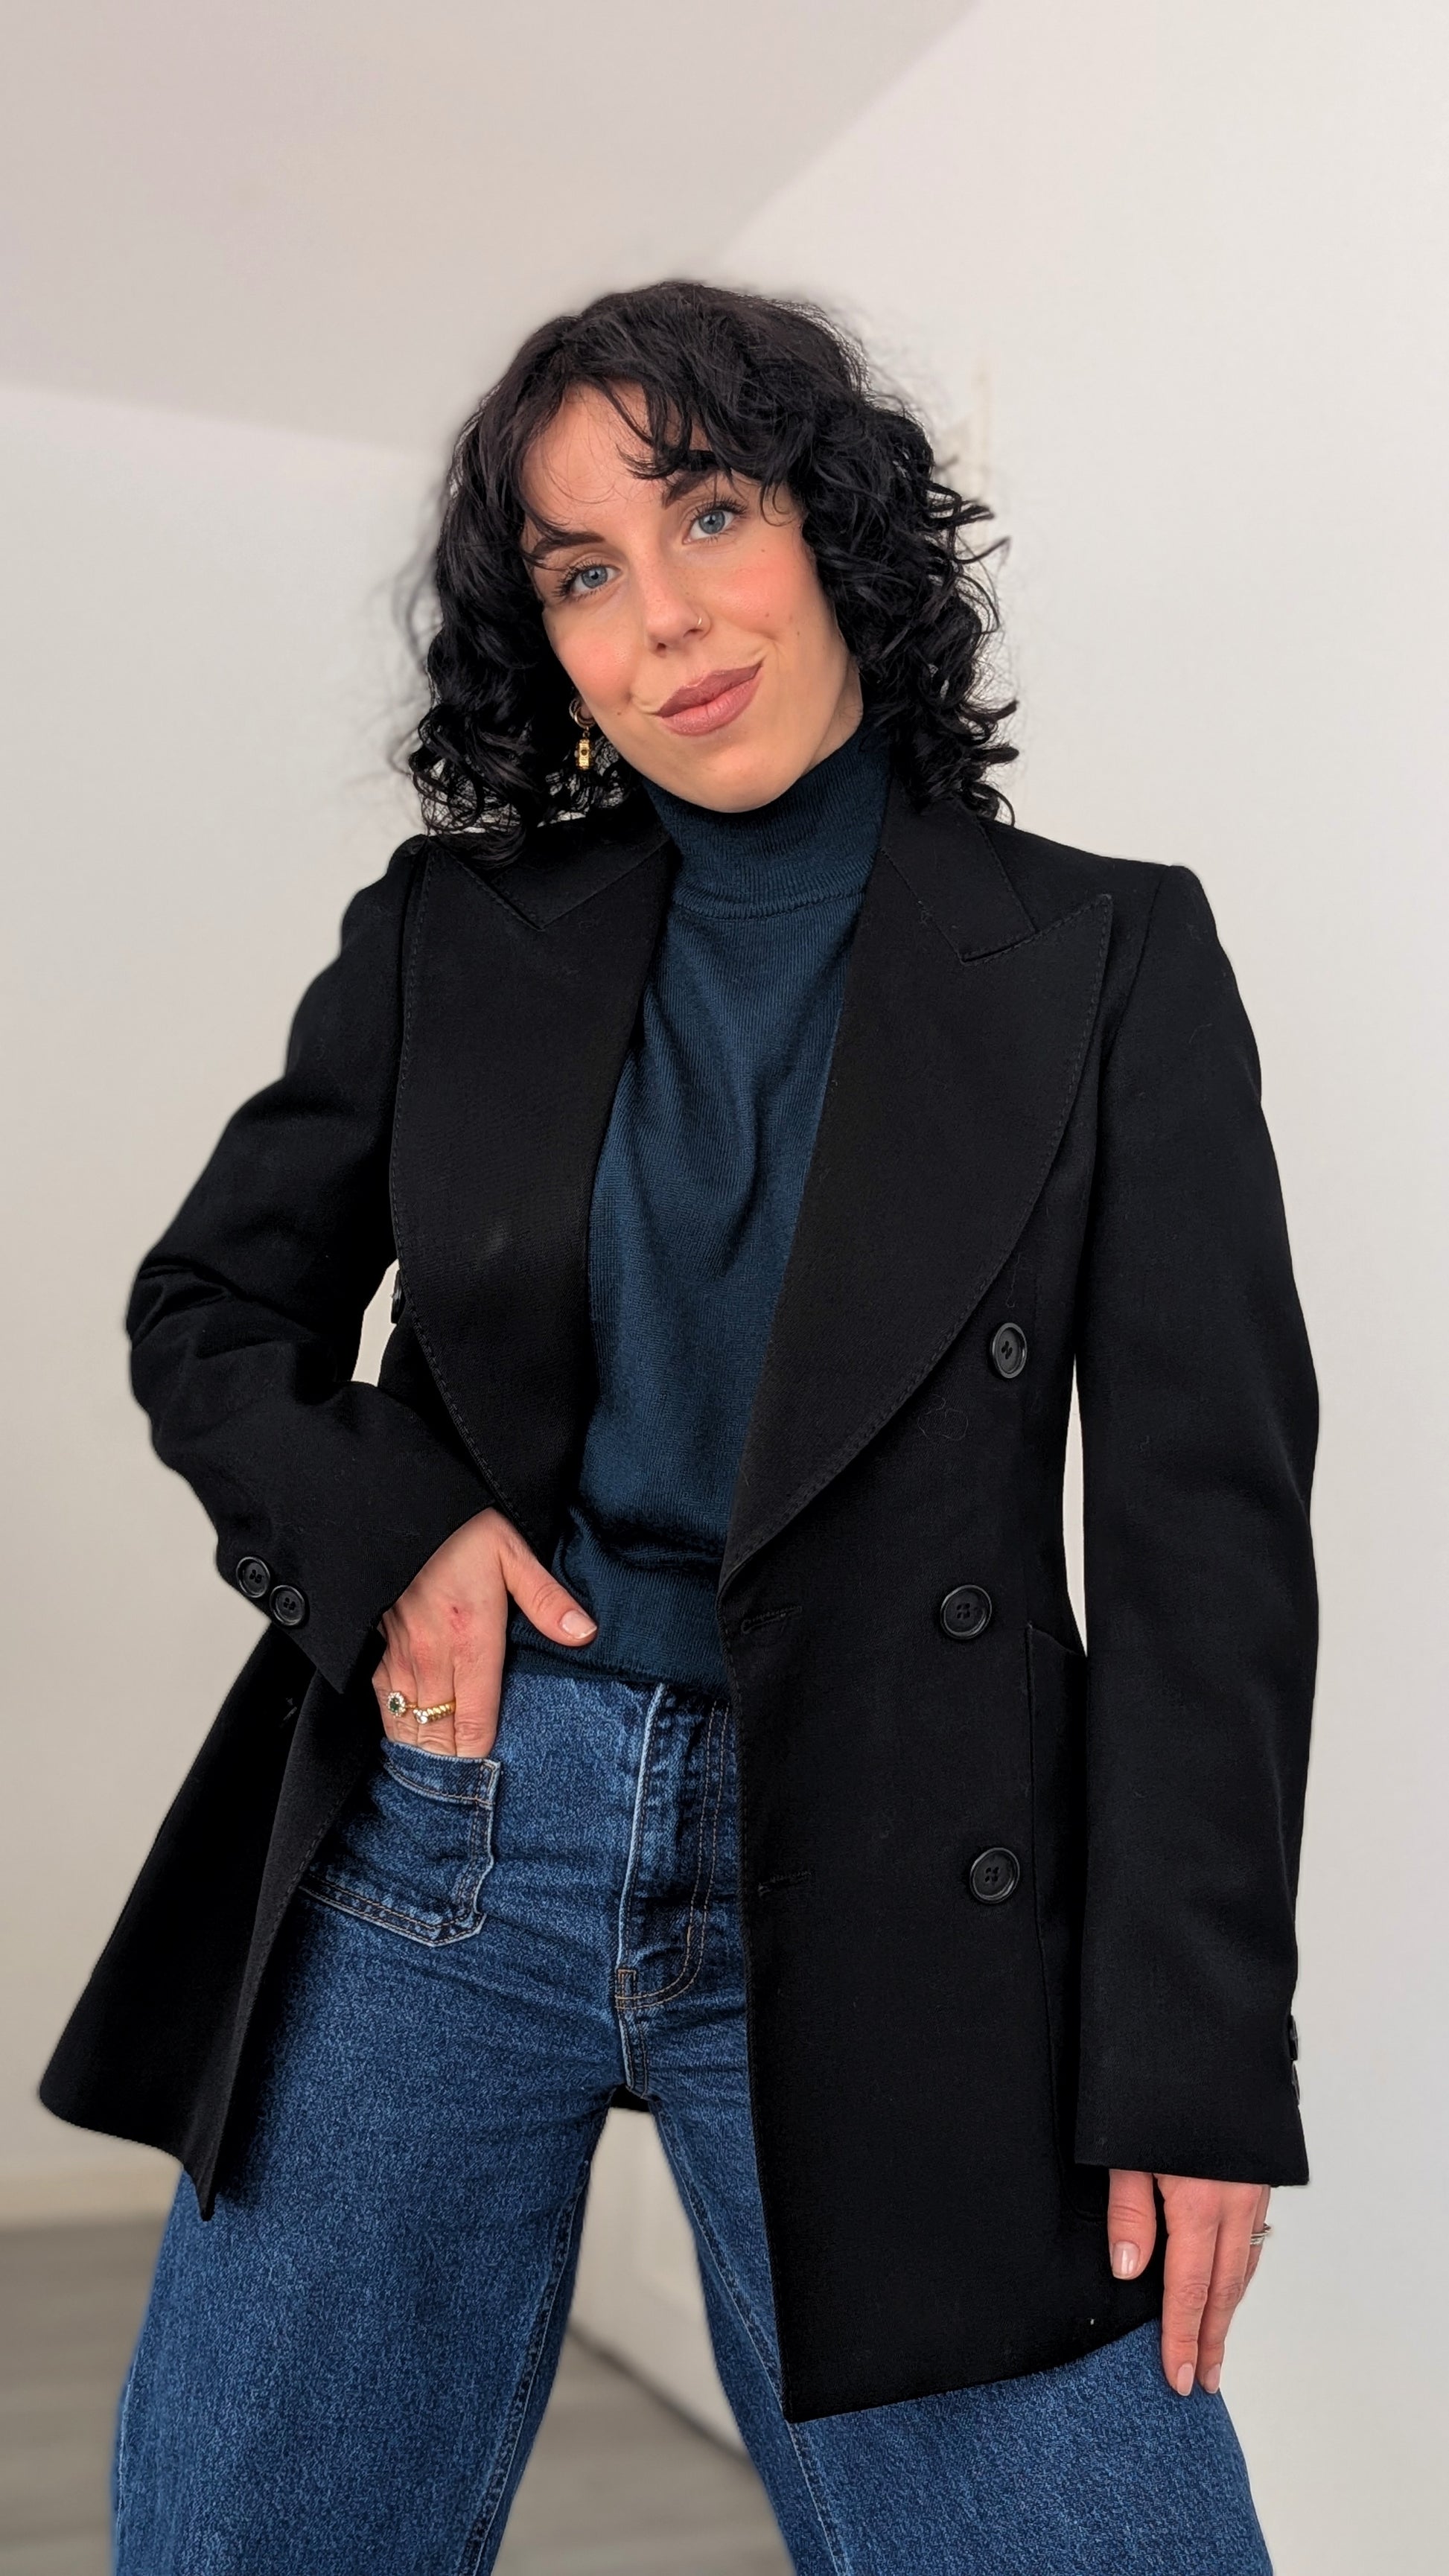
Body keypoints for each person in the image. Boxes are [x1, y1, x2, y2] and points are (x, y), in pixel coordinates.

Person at [42, 281, 1317, 2574]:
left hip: (902, 1861)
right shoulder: (451, 933)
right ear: (543, 644)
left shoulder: (1110, 957)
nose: (660, 622)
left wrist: (1195, 2056)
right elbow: (210, 1308)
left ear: (832, 528)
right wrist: (397, 1526)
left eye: (707, 513)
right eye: (579, 571)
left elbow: (1203, 1543)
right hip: (452, 1831)